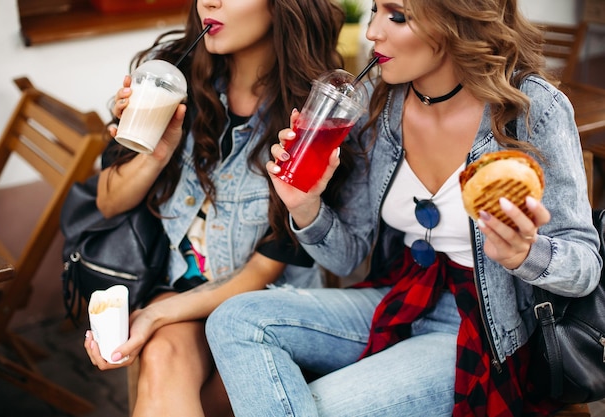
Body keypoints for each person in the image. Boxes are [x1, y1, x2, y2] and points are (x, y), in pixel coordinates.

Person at [205, 0, 602, 416]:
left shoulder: (533, 108)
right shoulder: (381, 108)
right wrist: (306, 206)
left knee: (323, 407)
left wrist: (526, 254)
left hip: (483, 326)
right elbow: (348, 257)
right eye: (374, 10)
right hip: (400, 298)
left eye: (396, 15)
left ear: (456, 20)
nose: (372, 31)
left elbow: (585, 268)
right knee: (233, 320)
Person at [82, 0, 347, 416]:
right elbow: (108, 201)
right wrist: (155, 152)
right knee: (164, 355)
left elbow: (264, 271)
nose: (210, 1)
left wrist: (155, 315)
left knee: (223, 382)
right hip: (176, 290)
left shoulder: (314, 115)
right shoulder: (171, 74)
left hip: (262, 306)